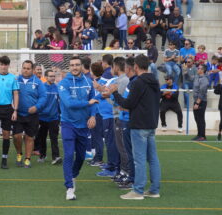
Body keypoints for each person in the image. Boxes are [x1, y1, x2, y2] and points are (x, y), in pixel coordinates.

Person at [105, 54, 161, 200]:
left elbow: (128, 104)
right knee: (153, 158)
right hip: (151, 125)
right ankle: (154, 189)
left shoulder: (138, 82)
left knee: (139, 159)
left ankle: (138, 191)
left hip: (139, 125)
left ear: (136, 66)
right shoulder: (155, 80)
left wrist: (115, 93)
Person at [58, 56, 98, 200]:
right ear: (69, 67)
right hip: (68, 124)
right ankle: (69, 187)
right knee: (69, 155)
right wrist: (87, 103)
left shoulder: (89, 82)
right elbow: (69, 103)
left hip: (83, 126)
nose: (74, 67)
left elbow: (94, 101)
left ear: (81, 66)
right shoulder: (63, 84)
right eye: (72, 65)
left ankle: (73, 176)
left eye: (77, 65)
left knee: (81, 157)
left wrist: (93, 116)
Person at [13, 60, 47, 168]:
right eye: (24, 68)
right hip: (18, 114)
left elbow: (43, 97)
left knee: (29, 137)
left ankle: (27, 159)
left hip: (32, 115)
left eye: (28, 68)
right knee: (17, 136)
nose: (26, 70)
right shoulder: (15, 80)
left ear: (32, 70)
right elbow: (10, 94)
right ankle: (19, 153)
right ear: (21, 68)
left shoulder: (38, 82)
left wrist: (36, 107)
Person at [115, 56, 136, 189]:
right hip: (125, 118)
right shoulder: (130, 82)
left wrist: (113, 95)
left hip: (127, 120)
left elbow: (127, 103)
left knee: (127, 151)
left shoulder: (132, 82)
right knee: (124, 149)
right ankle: (128, 175)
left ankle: (130, 177)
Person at [35, 70, 61, 164]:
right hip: (42, 118)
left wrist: (59, 114)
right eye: (50, 76)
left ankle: (56, 157)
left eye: (54, 76)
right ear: (45, 77)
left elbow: (60, 102)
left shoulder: (57, 88)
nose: (53, 78)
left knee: (54, 138)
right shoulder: (41, 88)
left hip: (54, 117)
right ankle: (42, 155)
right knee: (42, 138)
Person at [192, 64, 209, 141]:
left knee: (201, 119)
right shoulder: (197, 77)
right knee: (197, 118)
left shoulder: (204, 79)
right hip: (196, 101)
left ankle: (202, 136)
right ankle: (199, 134)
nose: (197, 69)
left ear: (202, 70)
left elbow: (202, 92)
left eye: (199, 68)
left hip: (201, 101)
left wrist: (197, 103)